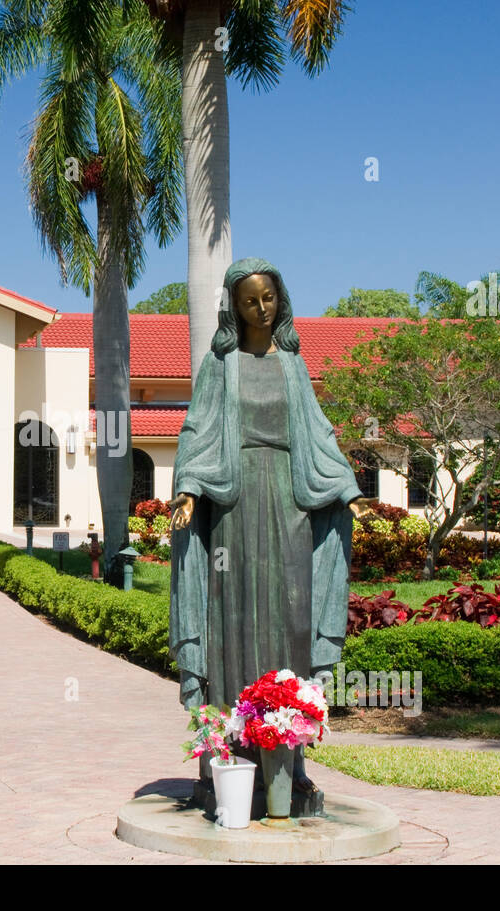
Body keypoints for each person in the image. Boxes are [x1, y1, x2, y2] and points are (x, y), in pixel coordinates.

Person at [168, 257, 371, 810]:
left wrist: (349, 490)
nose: (262, 308)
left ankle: (290, 760)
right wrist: (188, 488)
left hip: (289, 502)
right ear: (234, 306)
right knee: (231, 622)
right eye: (250, 299)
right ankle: (225, 758)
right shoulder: (222, 364)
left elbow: (317, 432)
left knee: (290, 619)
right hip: (233, 506)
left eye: (269, 298)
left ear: (280, 298)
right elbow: (198, 429)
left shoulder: (293, 365)